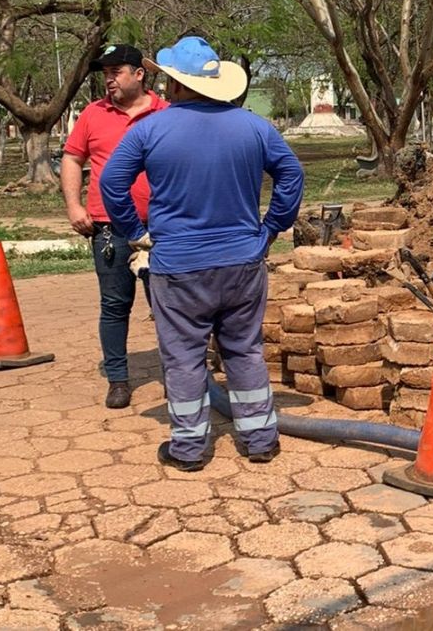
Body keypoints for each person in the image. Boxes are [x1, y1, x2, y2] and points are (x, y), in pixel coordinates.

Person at [99, 35, 304, 472]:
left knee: (184, 357)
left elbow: (111, 184)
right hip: (243, 262)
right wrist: (271, 228)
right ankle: (260, 440)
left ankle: (190, 449)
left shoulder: (150, 130)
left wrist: (135, 232)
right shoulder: (254, 127)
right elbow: (291, 174)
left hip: (179, 267)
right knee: (245, 351)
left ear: (175, 84)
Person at [60, 43, 168, 409]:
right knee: (114, 304)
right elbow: (73, 159)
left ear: (140, 74)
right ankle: (119, 380)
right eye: (105, 73)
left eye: (117, 71)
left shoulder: (166, 113)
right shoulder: (92, 114)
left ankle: (177, 376)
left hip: (162, 227)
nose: (109, 79)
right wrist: (74, 205)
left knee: (169, 303)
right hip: (110, 228)